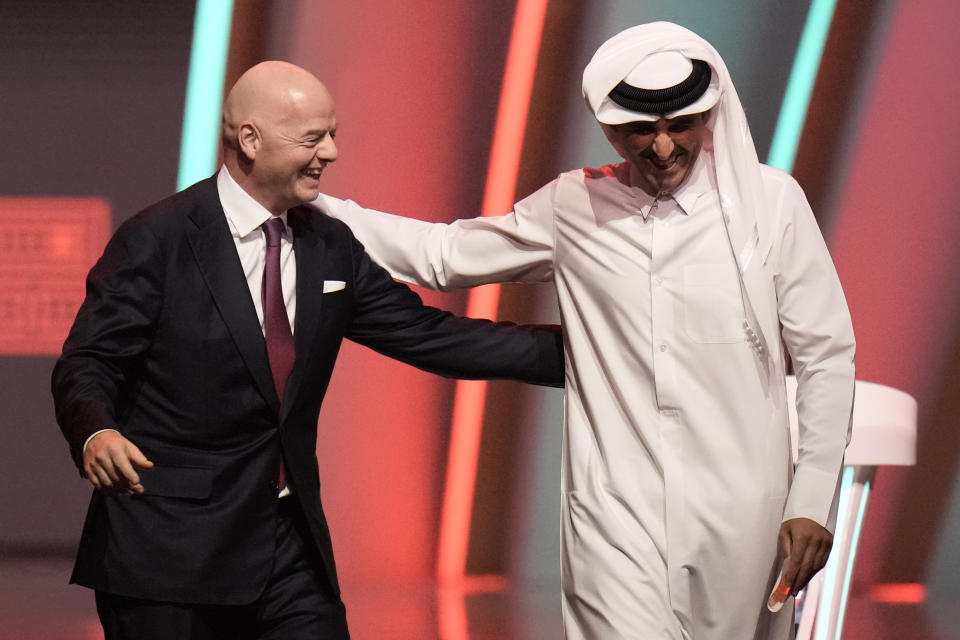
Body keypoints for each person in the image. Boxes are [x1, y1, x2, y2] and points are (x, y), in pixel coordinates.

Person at [316, 22, 856, 640]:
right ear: (607, 126)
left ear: (708, 117)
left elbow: (826, 356)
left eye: (678, 125)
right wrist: (311, 206)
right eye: (639, 130)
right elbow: (443, 256)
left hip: (744, 516)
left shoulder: (772, 204)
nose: (661, 148)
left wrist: (812, 495)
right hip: (613, 516)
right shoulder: (574, 206)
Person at [51, 61, 563, 640]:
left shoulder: (328, 245)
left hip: (288, 549)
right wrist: (97, 432)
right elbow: (88, 361)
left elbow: (435, 337)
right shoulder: (159, 239)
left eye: (333, 133)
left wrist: (594, 355)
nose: (333, 152)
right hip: (168, 553)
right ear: (250, 139)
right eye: (313, 137)